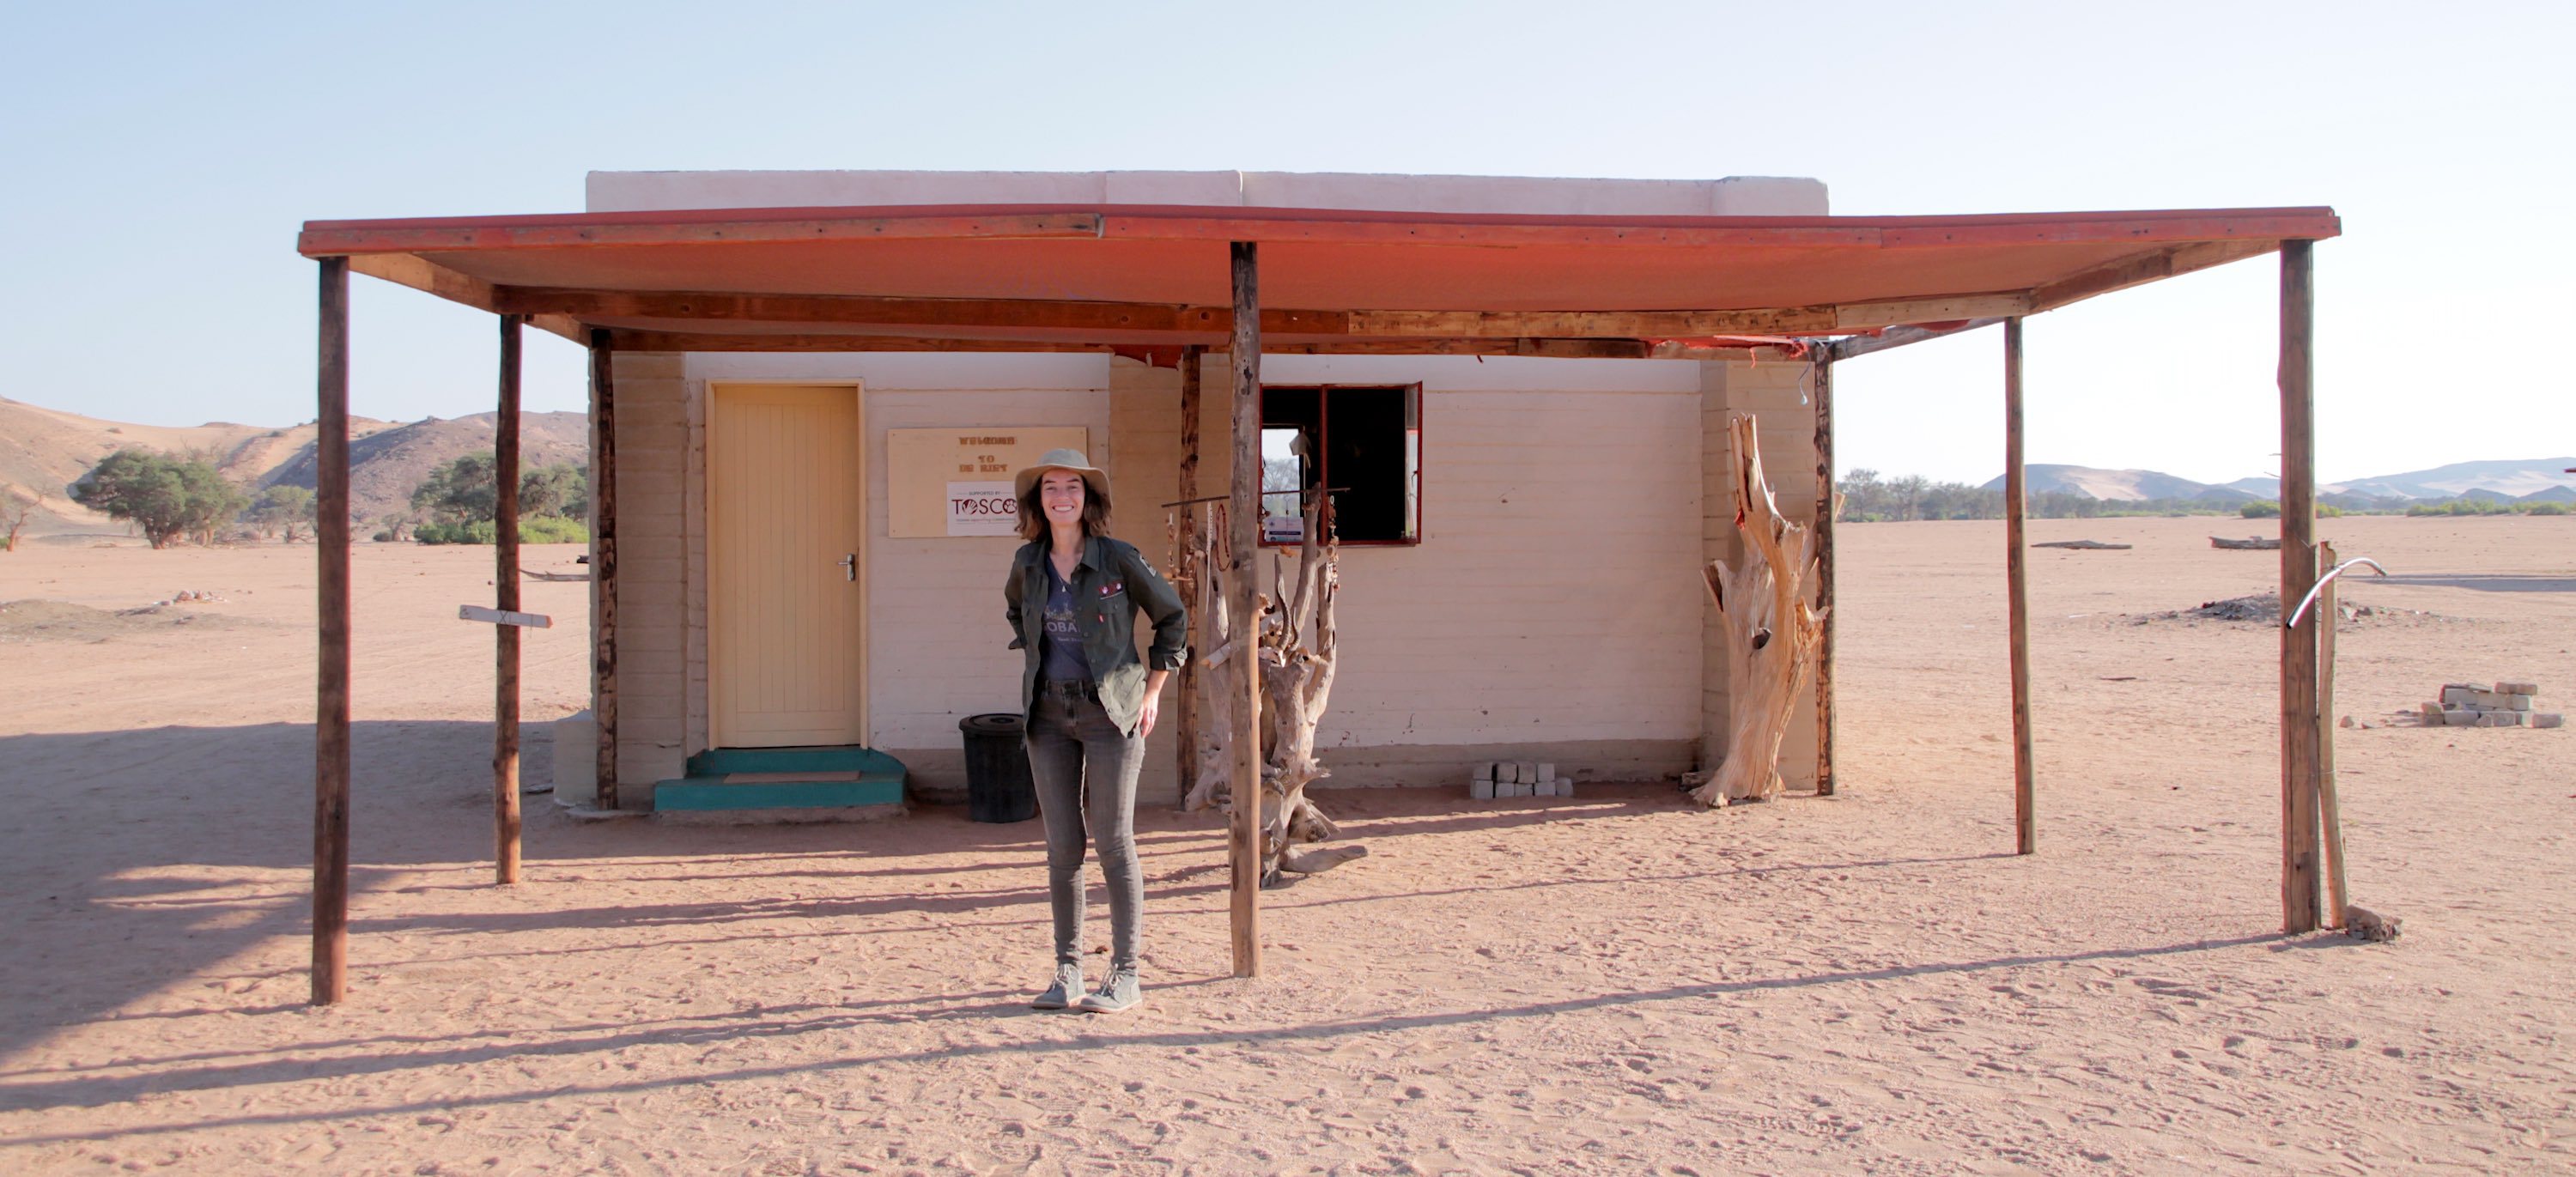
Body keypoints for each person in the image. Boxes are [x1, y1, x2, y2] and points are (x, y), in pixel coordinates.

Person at [1002, 448, 1187, 1013]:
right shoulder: (1027, 564)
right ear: (1039, 500)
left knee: (1113, 841)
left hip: (1113, 713)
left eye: (1073, 486)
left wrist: (1152, 691)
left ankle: (1126, 974)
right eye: (1051, 487)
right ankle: (1068, 972)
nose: (1063, 496)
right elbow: (1017, 613)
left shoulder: (1118, 559)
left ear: (1088, 498)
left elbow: (1173, 617)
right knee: (1063, 848)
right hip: (1048, 716)